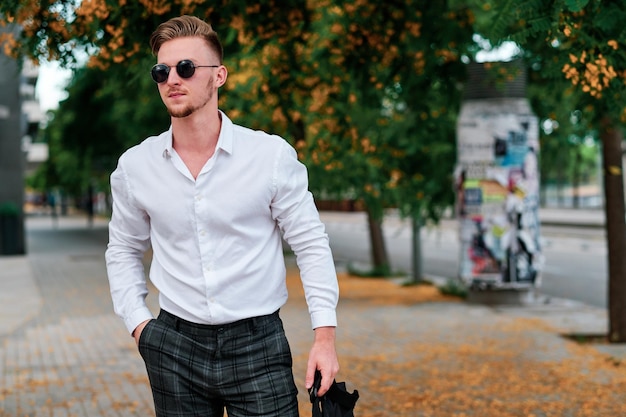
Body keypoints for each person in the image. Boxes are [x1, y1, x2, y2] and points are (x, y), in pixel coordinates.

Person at [105, 15, 340, 417]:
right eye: (162, 71)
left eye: (186, 68)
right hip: (173, 345)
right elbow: (122, 249)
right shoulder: (135, 166)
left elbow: (310, 244)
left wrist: (325, 338)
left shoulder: (269, 157)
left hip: (258, 343)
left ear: (219, 76)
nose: (172, 79)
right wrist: (140, 326)